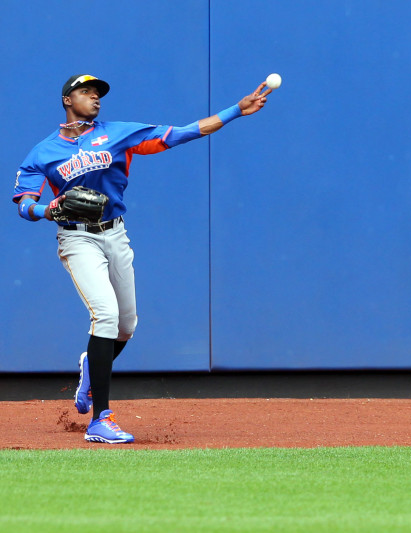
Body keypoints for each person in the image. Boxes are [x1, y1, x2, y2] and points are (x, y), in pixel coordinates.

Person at [13, 74, 271, 444]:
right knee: (105, 313)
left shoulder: (118, 134)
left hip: (115, 233)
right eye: (86, 92)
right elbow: (23, 203)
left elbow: (181, 133)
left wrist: (235, 112)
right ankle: (100, 419)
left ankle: (91, 367)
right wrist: (45, 209)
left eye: (98, 93)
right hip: (77, 239)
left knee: (127, 325)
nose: (95, 98)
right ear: (67, 100)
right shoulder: (43, 152)